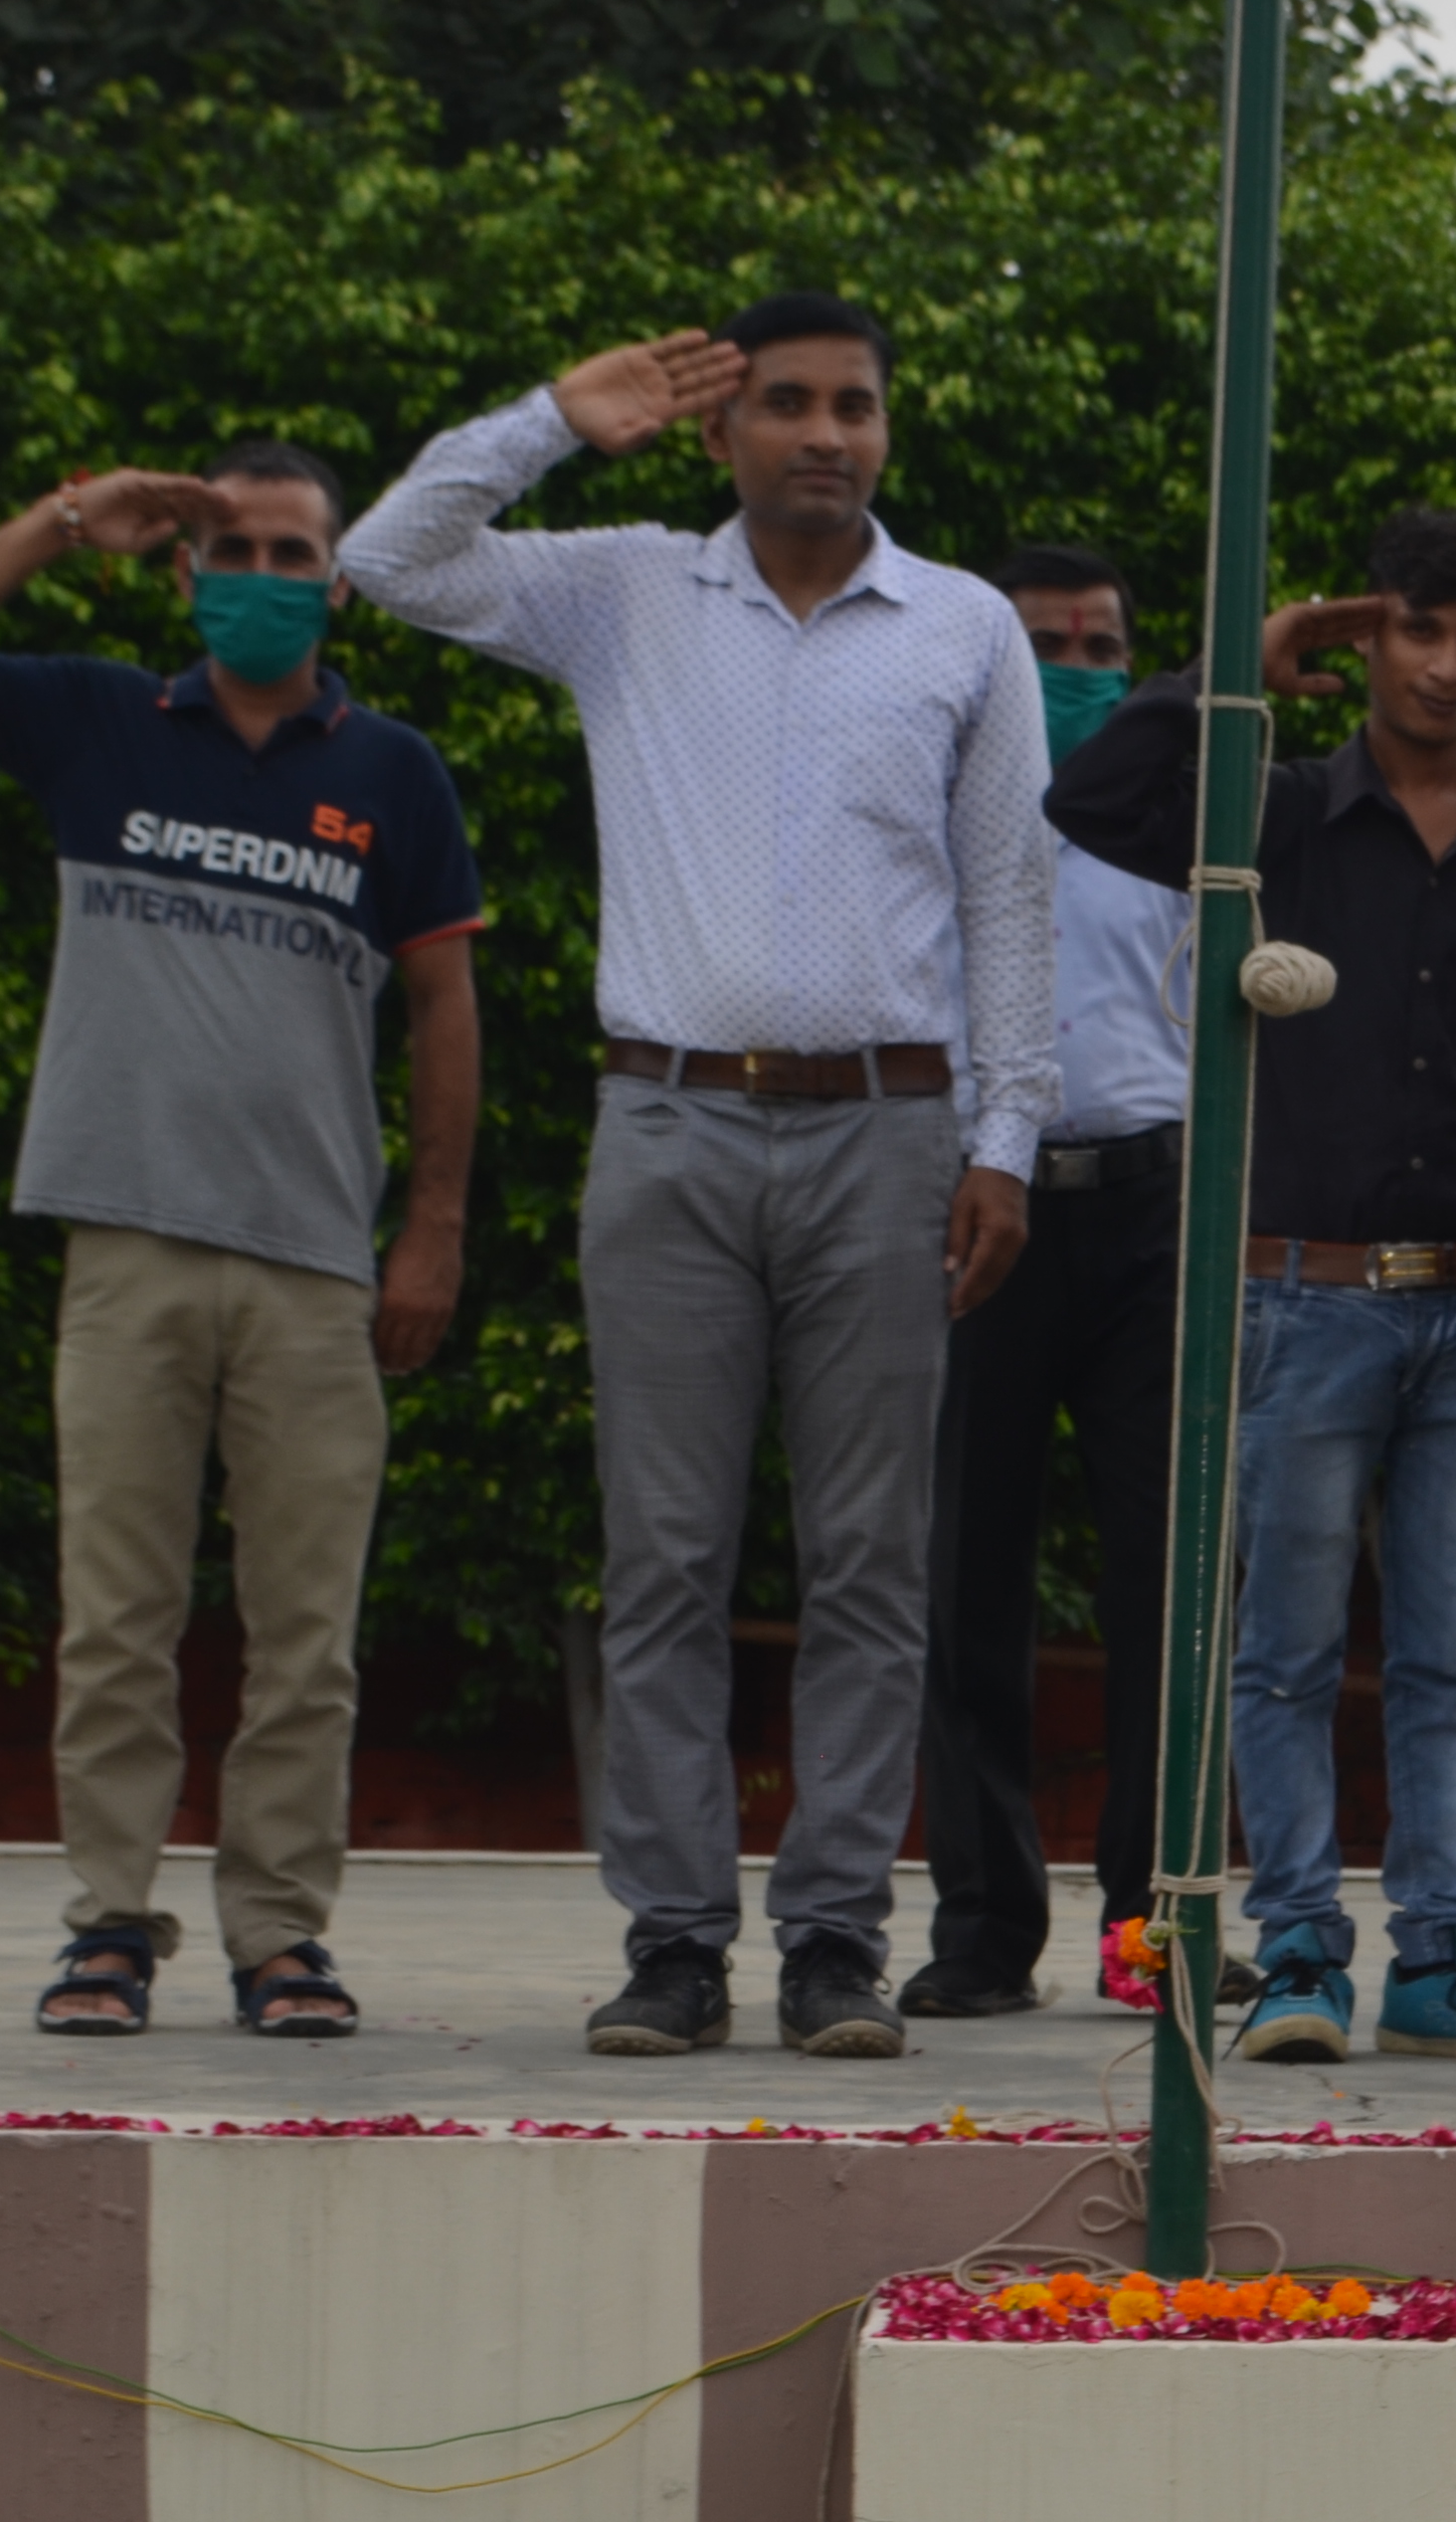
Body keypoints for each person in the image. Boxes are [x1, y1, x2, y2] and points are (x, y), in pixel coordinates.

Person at [344, 294, 1055, 2061]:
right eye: (788, 403)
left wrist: (1005, 1142)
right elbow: (385, 558)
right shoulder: (628, 589)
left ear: (888, 428)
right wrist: (552, 418)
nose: (824, 433)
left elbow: (1010, 900)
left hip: (891, 1129)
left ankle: (833, 1942)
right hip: (665, 1124)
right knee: (662, 1551)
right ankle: (671, 1940)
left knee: (872, 1559)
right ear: (726, 428)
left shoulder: (965, 625)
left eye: (854, 406)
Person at [0, 444, 482, 2042]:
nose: (262, 579)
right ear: (186, 577)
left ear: (339, 587)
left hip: (316, 1260)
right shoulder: (97, 718)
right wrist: (66, 522)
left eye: (292, 555)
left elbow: (443, 1001)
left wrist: (433, 1227)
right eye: (232, 552)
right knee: (116, 1616)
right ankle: (109, 1926)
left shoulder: (395, 770)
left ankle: (282, 1935)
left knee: (306, 1635)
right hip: (126, 1243)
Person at [1048, 508, 1456, 2068]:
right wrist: (1237, 664)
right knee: (1285, 1652)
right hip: (1301, 1301)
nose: (1448, 667)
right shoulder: (1276, 815)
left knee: (1452, 1660)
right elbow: (1088, 802)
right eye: (1420, 630)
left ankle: (1443, 1962)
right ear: (1371, 636)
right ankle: (1299, 1954)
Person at [900, 544, 1214, 2023]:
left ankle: (1151, 1922)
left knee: (1169, 1577)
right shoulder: (932, 813)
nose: (1076, 670)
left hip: (1154, 1211)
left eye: (1101, 647)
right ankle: (982, 1925)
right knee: (971, 1571)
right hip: (986, 1209)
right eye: (1045, 645)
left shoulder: (1183, 822)